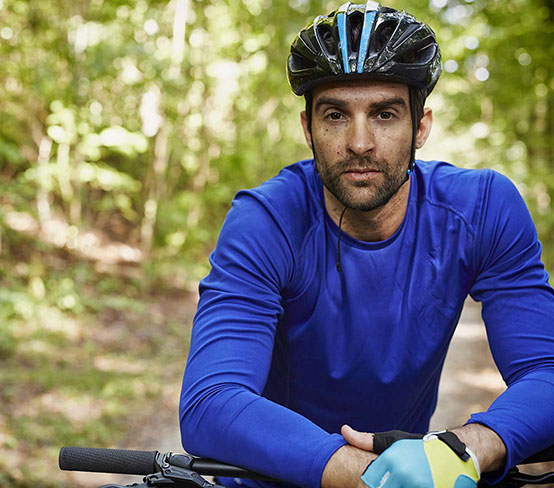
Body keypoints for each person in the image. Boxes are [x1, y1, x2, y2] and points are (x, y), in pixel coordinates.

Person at [179, 3, 554, 488]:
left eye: (384, 114)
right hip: (271, 480)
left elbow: (546, 369)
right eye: (335, 115)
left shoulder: (483, 208)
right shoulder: (266, 220)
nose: (359, 142)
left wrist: (468, 448)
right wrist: (365, 475)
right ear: (307, 128)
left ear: (421, 127)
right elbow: (211, 400)